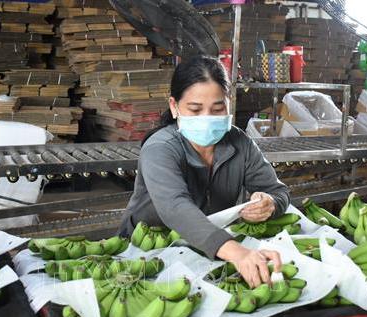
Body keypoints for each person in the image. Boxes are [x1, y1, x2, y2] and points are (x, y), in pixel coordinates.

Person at [119, 56, 290, 288]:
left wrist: (270, 202)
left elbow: (277, 191)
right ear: (174, 106)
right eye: (195, 109)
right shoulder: (160, 148)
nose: (207, 118)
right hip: (149, 253)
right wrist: (237, 252)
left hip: (209, 252)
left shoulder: (240, 143)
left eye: (217, 109)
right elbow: (175, 207)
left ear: (228, 104)